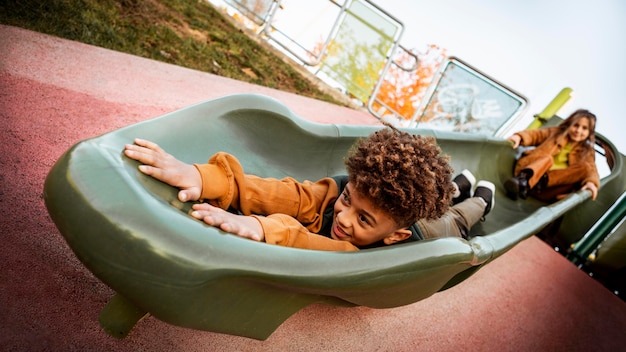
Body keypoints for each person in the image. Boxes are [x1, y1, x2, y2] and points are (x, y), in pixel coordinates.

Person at [123, 128, 495, 251]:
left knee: (455, 220)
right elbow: (286, 195)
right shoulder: (344, 195)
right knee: (334, 197)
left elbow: (328, 248)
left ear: (392, 235)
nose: (344, 218)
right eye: (349, 201)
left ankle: (477, 198)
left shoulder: (402, 236)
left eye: (363, 219)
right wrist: (207, 178)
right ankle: (454, 184)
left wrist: (263, 228)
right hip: (395, 207)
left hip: (428, 229)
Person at [504, 109, 600, 202]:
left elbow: (592, 169)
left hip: (546, 189)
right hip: (526, 176)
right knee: (548, 158)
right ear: (569, 124)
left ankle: (537, 183)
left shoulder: (587, 151)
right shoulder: (555, 133)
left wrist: (591, 183)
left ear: (589, 133)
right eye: (576, 125)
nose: (578, 131)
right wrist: (519, 136)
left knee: (585, 168)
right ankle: (522, 182)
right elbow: (535, 135)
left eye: (584, 128)